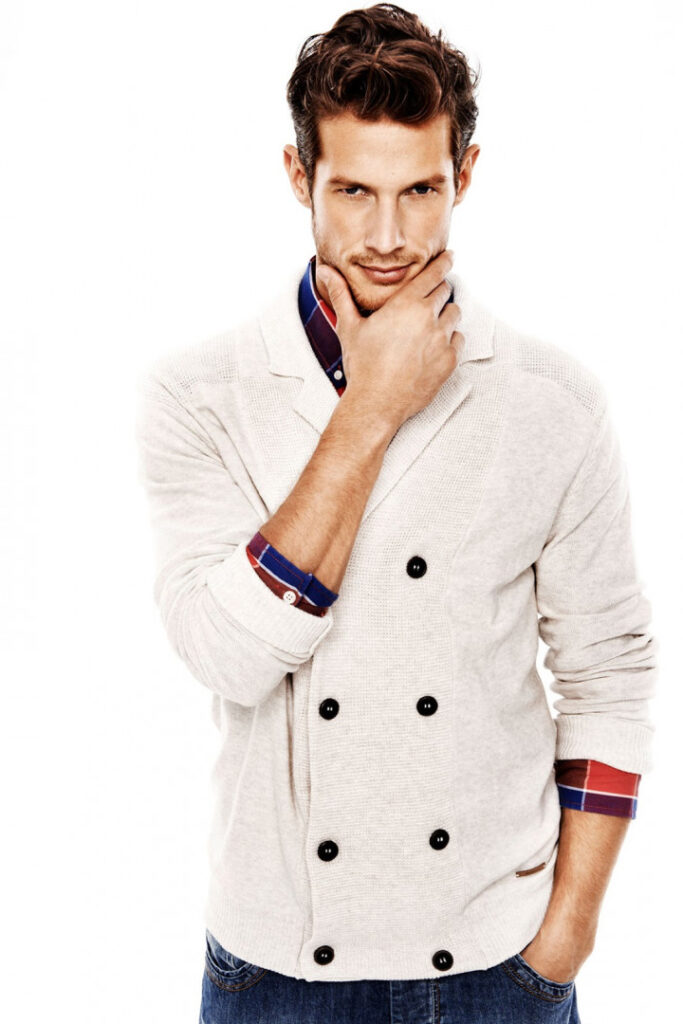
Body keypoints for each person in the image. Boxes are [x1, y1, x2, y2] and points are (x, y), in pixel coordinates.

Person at [134, 5, 658, 1022]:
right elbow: (228, 655)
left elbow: (607, 674)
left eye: (419, 191)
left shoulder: (552, 402)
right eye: (353, 192)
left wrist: (564, 941)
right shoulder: (200, 394)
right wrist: (371, 406)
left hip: (496, 966)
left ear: (465, 175)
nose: (386, 237)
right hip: (273, 972)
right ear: (299, 178)